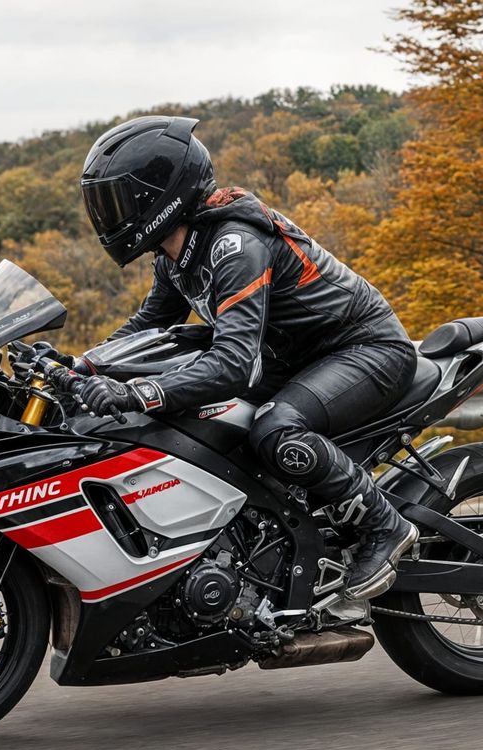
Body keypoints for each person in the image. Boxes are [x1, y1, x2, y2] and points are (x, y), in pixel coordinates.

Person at [77, 115, 418, 603]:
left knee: (276, 431)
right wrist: (81, 366)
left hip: (362, 348)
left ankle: (385, 525)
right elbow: (147, 327)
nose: (108, 215)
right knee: (204, 420)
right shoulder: (176, 254)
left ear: (157, 195)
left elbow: (234, 363)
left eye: (116, 200)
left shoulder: (235, 245)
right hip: (296, 358)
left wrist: (137, 392)